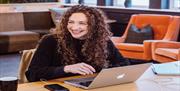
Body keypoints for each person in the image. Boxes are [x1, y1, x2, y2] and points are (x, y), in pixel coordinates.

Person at [25, 5, 129, 82]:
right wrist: (67, 69)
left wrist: (102, 69)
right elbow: (32, 74)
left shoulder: (102, 41)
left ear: (94, 26)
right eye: (71, 22)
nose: (74, 28)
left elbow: (123, 64)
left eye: (82, 23)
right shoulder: (50, 40)